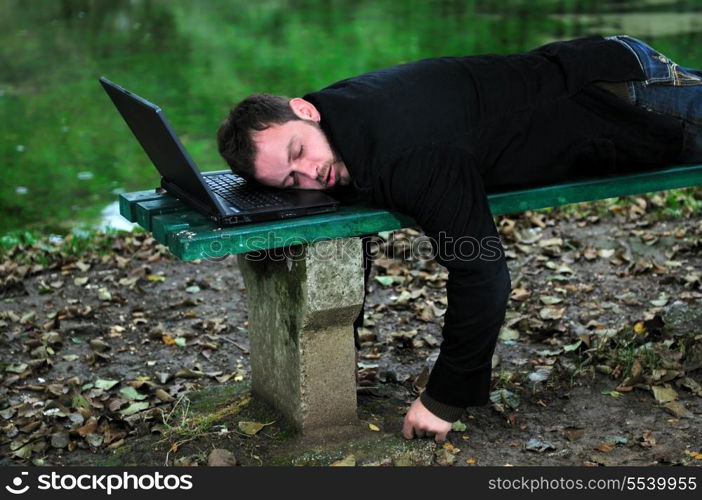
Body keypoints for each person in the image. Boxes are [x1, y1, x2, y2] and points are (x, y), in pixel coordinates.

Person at [216, 35, 702, 441]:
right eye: (289, 182)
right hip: (584, 74)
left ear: (304, 111)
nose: (311, 175)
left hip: (634, 99)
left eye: (298, 151)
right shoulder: (334, 116)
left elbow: (482, 272)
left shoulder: (410, 154)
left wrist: (443, 399)